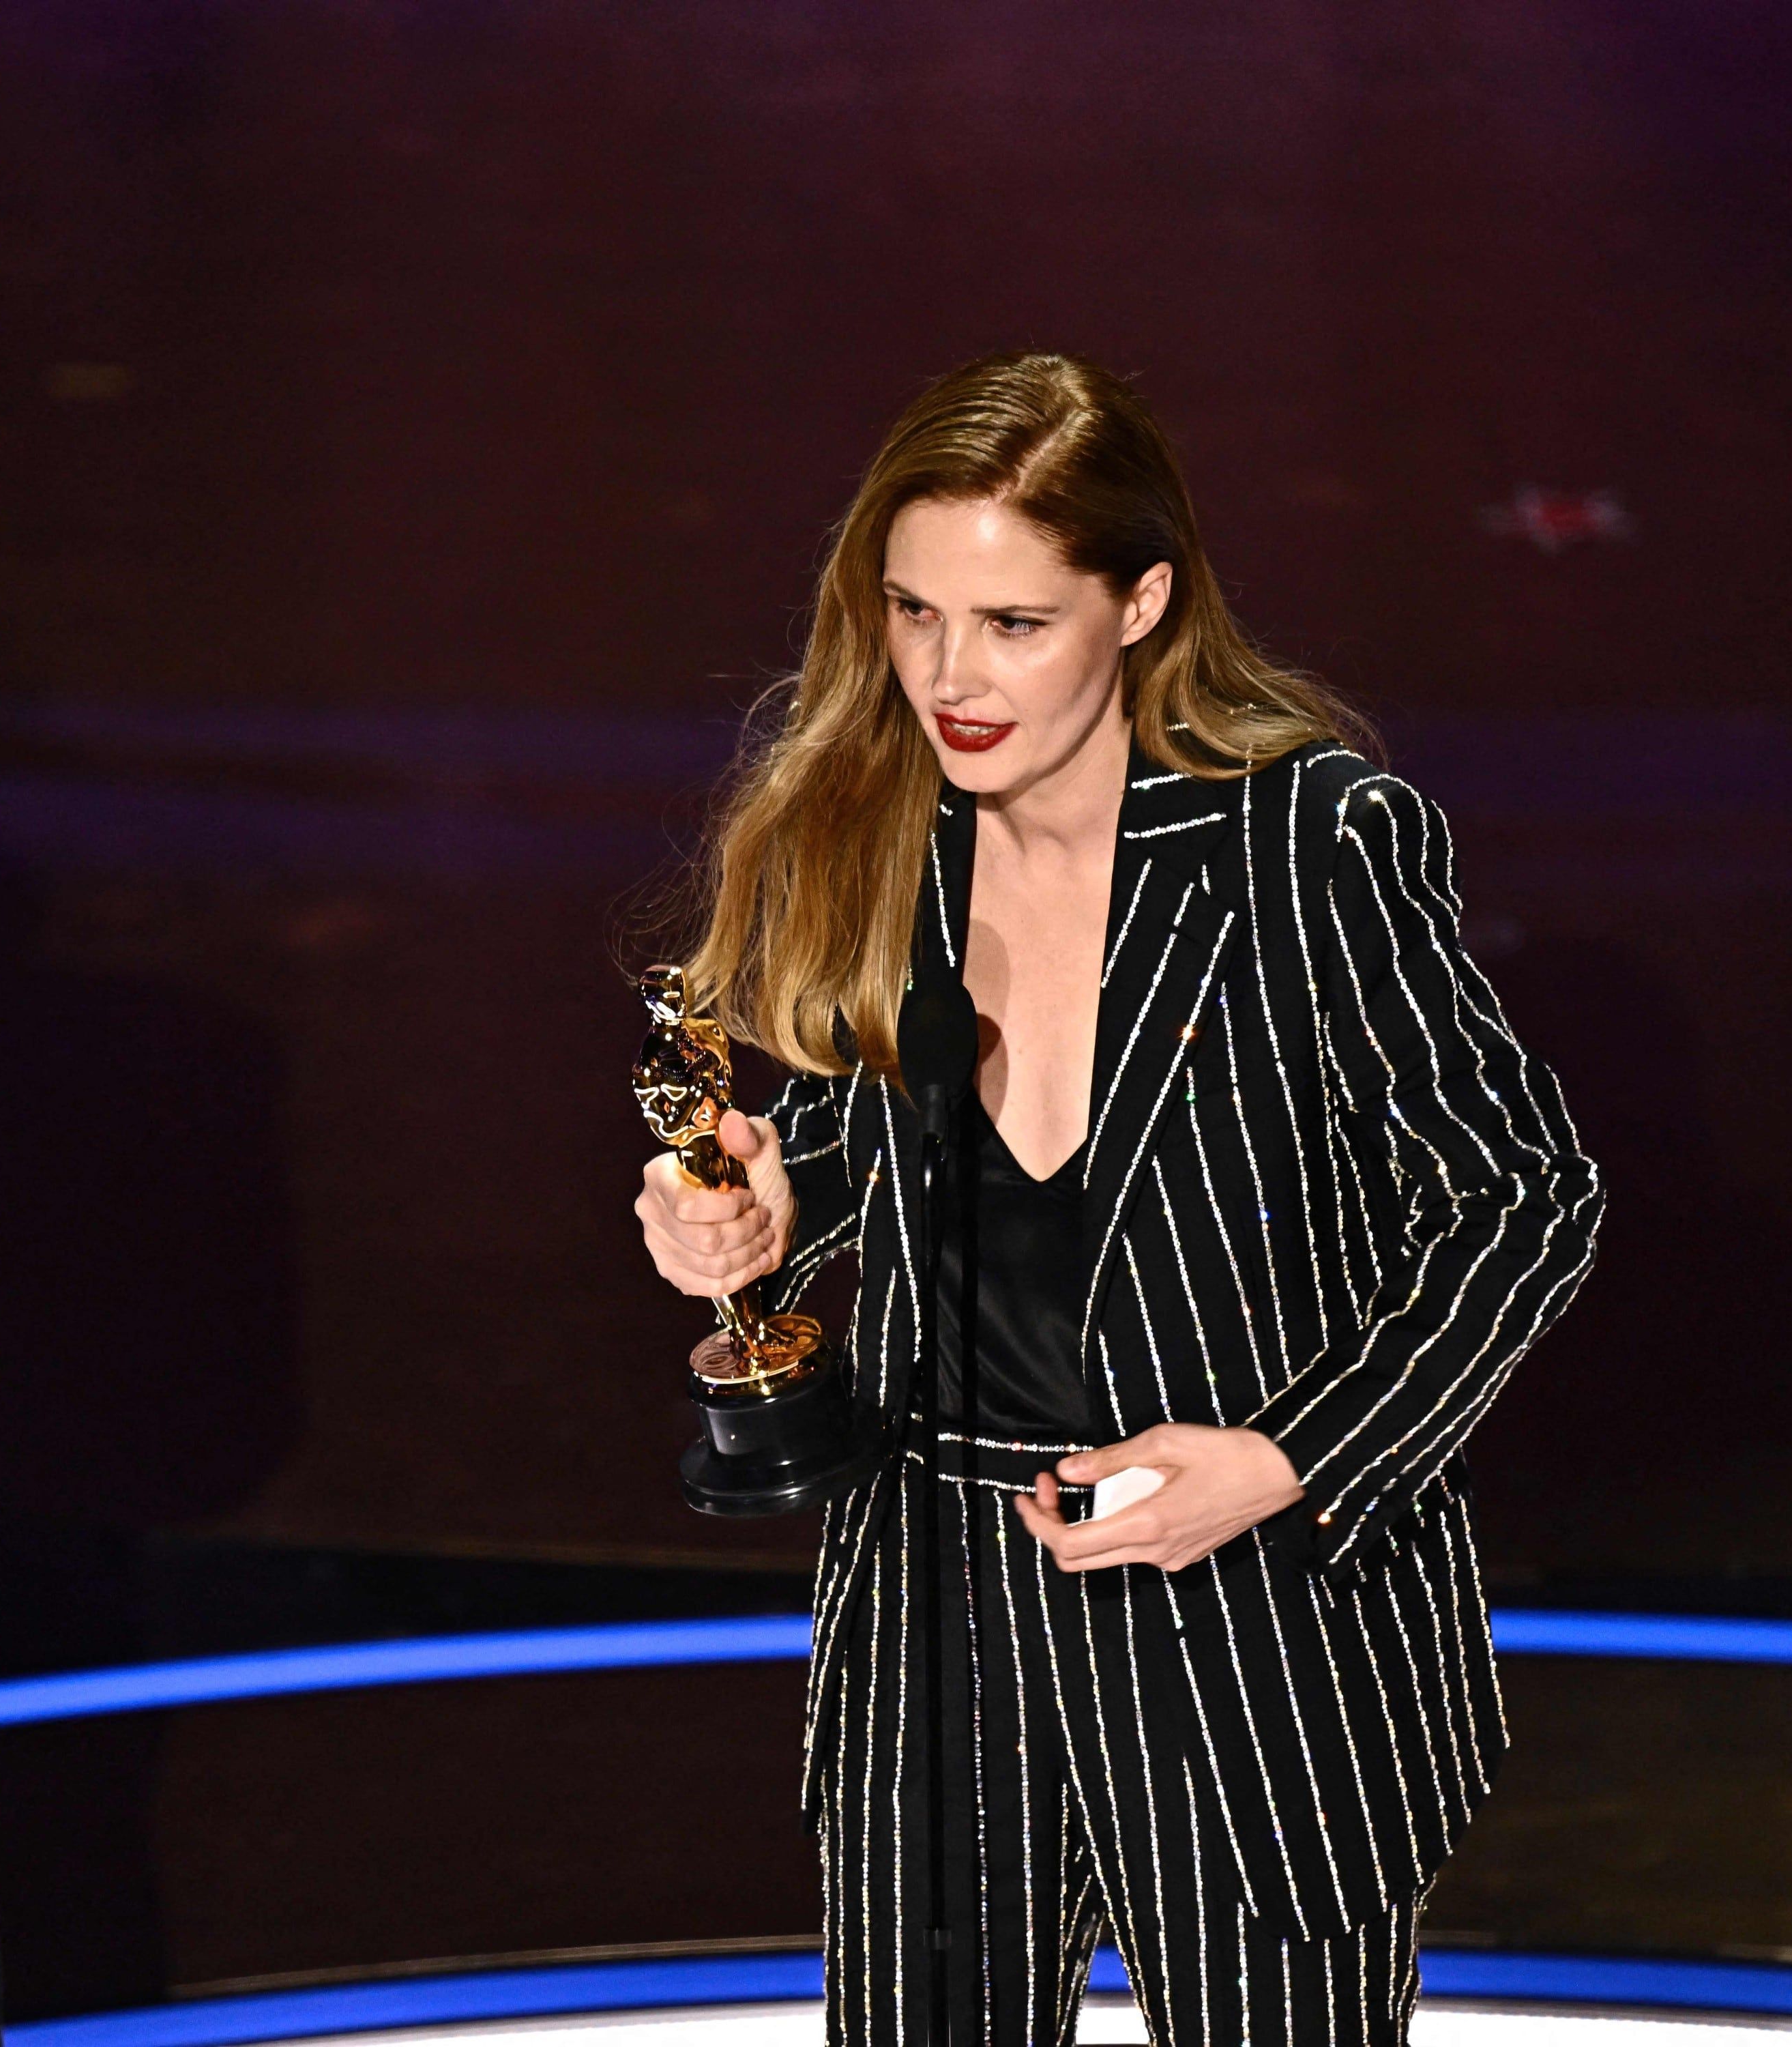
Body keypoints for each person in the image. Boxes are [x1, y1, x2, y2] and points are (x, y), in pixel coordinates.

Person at [633, 353, 1602, 2046]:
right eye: (915, 614)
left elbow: (1522, 1199)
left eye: (1014, 623)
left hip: (1246, 1621)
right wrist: (777, 1213)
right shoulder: (882, 827)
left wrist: (1291, 1459)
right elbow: (916, 1147)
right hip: (939, 1611)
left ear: (1142, 600)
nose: (950, 673)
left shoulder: (1307, 842)